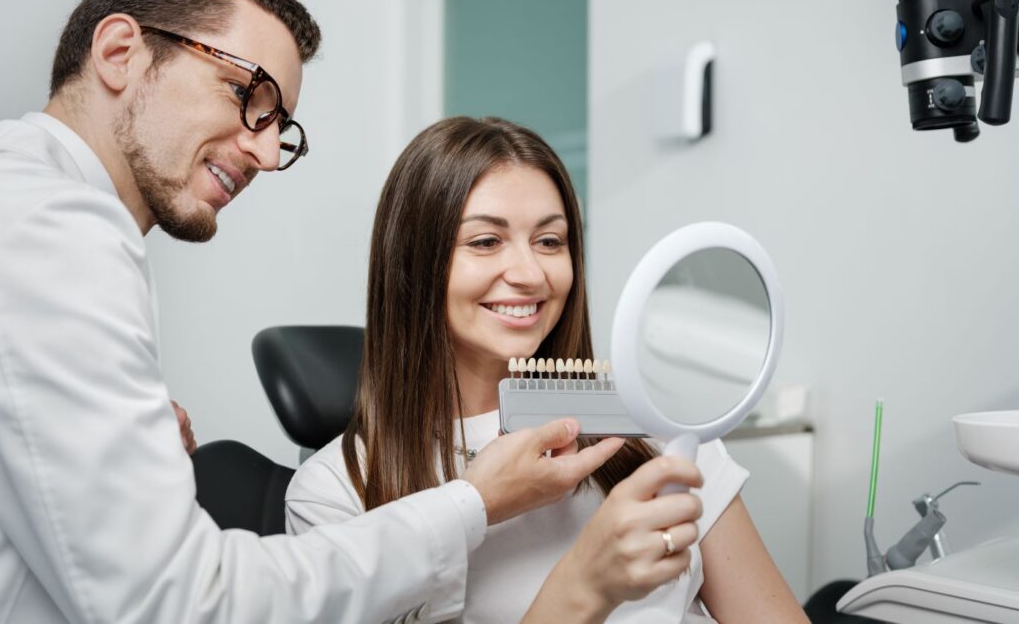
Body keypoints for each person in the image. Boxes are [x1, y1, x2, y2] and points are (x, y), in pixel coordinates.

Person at [0, 0, 631, 623]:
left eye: (551, 239)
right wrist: (473, 506)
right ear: (122, 52)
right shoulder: (55, 228)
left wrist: (134, 465)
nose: (268, 155)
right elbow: (171, 603)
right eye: (248, 96)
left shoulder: (620, 417)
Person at [286, 117, 809, 622]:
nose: (531, 273)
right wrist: (585, 585)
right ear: (411, 263)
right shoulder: (335, 494)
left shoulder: (660, 429)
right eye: (486, 241)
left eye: (550, 241)